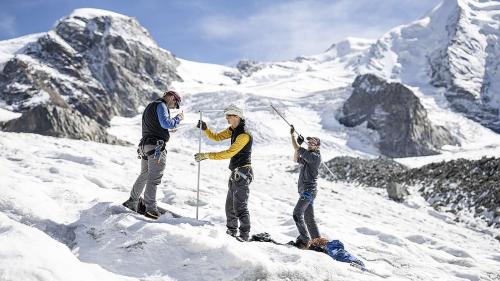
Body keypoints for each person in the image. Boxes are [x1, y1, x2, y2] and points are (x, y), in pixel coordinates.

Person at [194, 105, 253, 241]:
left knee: (240, 207)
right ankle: (232, 232)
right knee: (230, 206)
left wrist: (207, 155)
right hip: (236, 173)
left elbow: (229, 153)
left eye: (228, 116)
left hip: (243, 172)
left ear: (236, 116)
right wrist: (206, 129)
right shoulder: (234, 129)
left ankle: (244, 235)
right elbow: (217, 137)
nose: (226, 118)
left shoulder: (244, 134)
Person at [122, 90, 184, 219]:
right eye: (175, 104)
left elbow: (157, 125)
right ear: (172, 97)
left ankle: (132, 202)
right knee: (154, 178)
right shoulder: (161, 105)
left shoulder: (150, 106)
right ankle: (150, 208)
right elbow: (165, 123)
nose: (174, 107)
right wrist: (177, 118)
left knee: (144, 174)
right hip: (156, 147)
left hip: (145, 146)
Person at [290, 126, 321, 248]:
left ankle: (305, 239)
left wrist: (293, 137)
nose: (310, 144)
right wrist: (298, 145)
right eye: (309, 142)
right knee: (309, 219)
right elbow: (295, 158)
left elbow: (298, 148)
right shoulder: (309, 157)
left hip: (308, 192)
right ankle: (318, 243)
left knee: (297, 213)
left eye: (313, 143)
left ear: (317, 146)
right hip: (307, 191)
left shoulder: (314, 157)